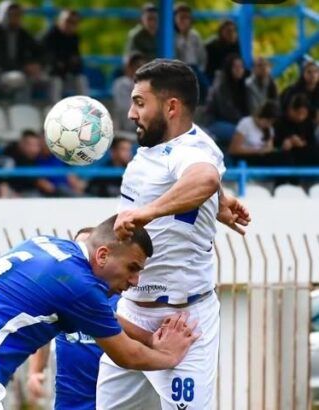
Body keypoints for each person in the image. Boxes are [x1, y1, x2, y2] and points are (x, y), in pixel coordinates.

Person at [0, 214, 199, 410]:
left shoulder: (42, 245)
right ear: (103, 255)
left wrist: (148, 337)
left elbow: (102, 318)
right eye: (132, 268)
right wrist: (168, 356)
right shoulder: (80, 285)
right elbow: (126, 355)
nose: (135, 281)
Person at [96, 59, 251, 410]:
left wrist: (147, 212)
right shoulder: (163, 148)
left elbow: (204, 177)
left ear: (171, 107)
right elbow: (203, 180)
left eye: (140, 103)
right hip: (132, 313)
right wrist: (218, 202)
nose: (131, 114)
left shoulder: (191, 151)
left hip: (182, 323)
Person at [26, 227, 121, 410]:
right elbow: (43, 328)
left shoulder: (120, 297)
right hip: (70, 400)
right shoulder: (64, 292)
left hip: (113, 397)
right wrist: (35, 371)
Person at [0, 1, 47, 102]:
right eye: (12, 15)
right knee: (20, 79)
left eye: (19, 15)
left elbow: (39, 50)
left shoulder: (22, 33)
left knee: (47, 79)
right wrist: (24, 67)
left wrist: (36, 65)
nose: (16, 18)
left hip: (19, 71)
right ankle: (21, 108)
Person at [39, 9, 88, 102]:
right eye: (68, 21)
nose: (71, 25)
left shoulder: (74, 38)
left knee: (81, 79)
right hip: (47, 75)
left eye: (74, 23)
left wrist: (68, 64)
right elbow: (46, 61)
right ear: (59, 20)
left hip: (65, 74)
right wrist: (61, 63)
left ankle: (85, 107)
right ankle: (55, 107)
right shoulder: (48, 35)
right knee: (56, 81)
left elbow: (77, 62)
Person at [112, 52, 148, 139]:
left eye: (143, 67)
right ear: (129, 68)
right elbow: (125, 110)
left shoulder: (148, 86)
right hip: (125, 132)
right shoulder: (120, 84)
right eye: (137, 66)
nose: (140, 70)